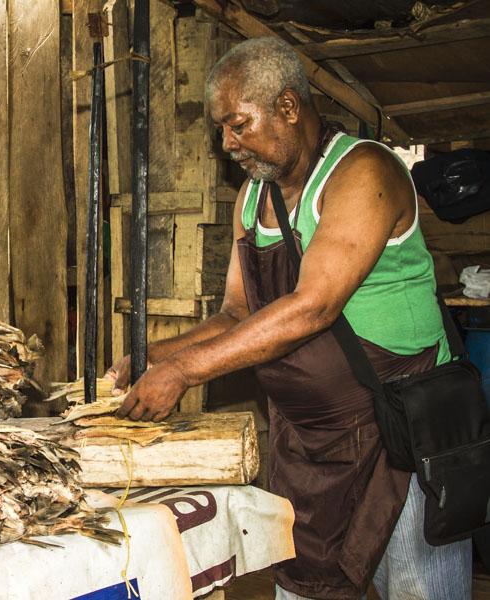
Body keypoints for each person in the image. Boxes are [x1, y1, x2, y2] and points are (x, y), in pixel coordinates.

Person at [106, 37, 471, 599]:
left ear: (288, 107)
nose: (227, 144)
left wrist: (185, 373)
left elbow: (314, 305)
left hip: (401, 432)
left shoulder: (364, 173)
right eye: (220, 130)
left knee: (419, 589)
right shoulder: (255, 197)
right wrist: (155, 357)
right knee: (304, 586)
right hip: (316, 442)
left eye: (237, 124)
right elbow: (236, 313)